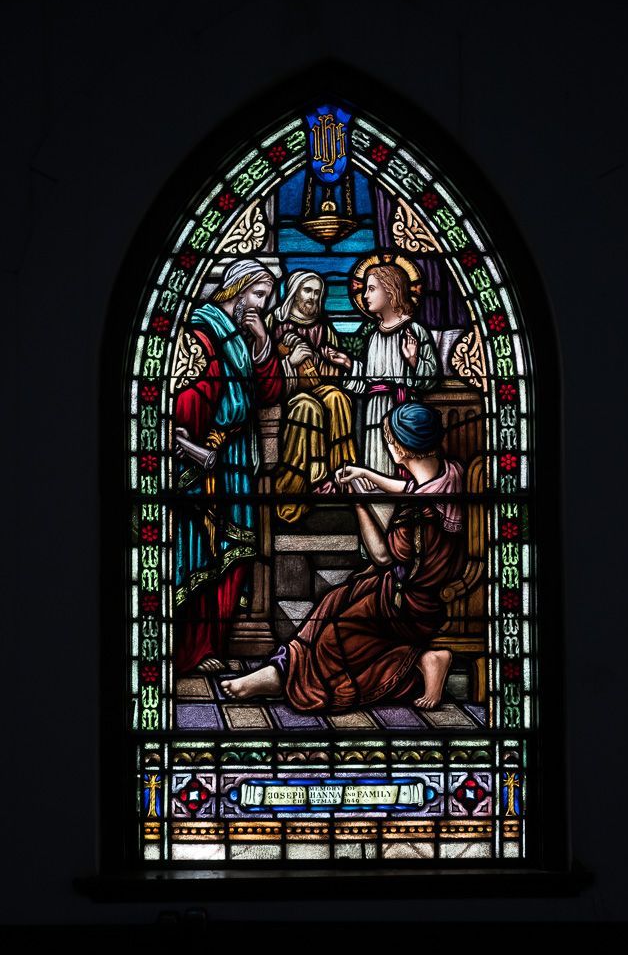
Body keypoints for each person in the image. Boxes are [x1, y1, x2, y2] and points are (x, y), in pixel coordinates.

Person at [221, 402, 465, 711]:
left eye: (390, 439)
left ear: (402, 449)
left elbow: (381, 556)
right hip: (410, 594)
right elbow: (413, 488)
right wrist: (367, 475)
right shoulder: (450, 477)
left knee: (333, 640)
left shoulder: (419, 515)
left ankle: (420, 662)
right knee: (332, 600)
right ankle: (278, 670)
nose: (389, 446)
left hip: (406, 607)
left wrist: (358, 503)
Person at [172, 259, 282, 674]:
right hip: (207, 459)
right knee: (204, 550)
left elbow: (270, 392)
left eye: (268, 299)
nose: (262, 305)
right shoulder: (204, 332)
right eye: (258, 295)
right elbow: (190, 394)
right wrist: (200, 440)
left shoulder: (244, 336)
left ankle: (209, 645)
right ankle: (189, 650)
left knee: (235, 554)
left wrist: (262, 341)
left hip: (235, 458)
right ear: (235, 290)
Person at [323, 262, 439, 477]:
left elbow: (430, 378)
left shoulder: (415, 330)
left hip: (403, 411)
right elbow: (369, 380)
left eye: (371, 288)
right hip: (374, 411)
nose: (365, 295)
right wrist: (347, 363)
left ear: (391, 290)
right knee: (376, 461)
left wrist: (413, 360)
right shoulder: (374, 336)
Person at [268, 270, 357, 523]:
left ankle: (344, 476)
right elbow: (260, 366)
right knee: (308, 406)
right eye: (307, 290)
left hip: (317, 387)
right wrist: (290, 361)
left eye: (317, 292)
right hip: (286, 394)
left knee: (337, 398)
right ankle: (302, 485)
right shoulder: (273, 323)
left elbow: (330, 371)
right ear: (294, 292)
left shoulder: (323, 327)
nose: (312, 297)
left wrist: (329, 364)